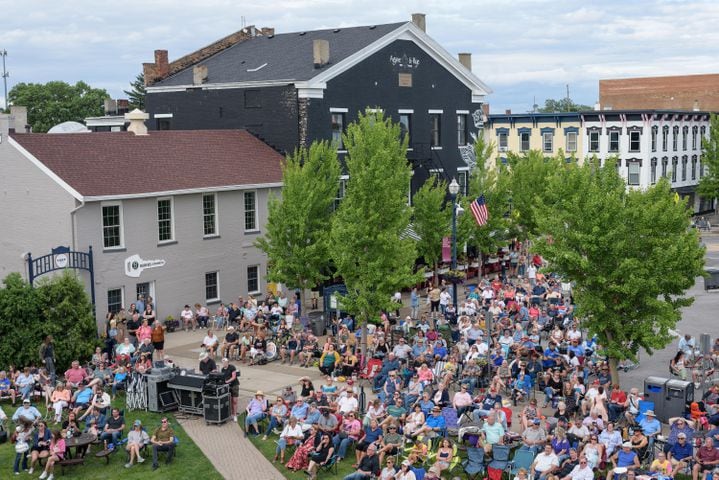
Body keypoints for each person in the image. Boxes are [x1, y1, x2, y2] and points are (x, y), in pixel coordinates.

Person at [220, 358, 240, 422]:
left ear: (228, 362)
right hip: (228, 387)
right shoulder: (222, 369)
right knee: (230, 401)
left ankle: (235, 415)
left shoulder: (232, 367)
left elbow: (233, 377)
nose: (224, 364)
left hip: (234, 385)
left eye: (225, 362)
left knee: (234, 401)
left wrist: (227, 381)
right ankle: (231, 414)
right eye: (223, 363)